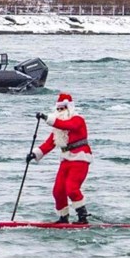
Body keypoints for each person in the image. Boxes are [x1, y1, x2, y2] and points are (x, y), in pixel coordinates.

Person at [26, 92, 93, 224]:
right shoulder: (57, 128)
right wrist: (35, 154)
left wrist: (46, 118)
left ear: (69, 108)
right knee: (58, 190)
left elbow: (67, 125)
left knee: (72, 188)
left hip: (80, 158)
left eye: (62, 108)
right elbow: (49, 143)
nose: (60, 111)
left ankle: (82, 216)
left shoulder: (77, 120)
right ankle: (63, 217)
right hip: (66, 159)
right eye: (58, 108)